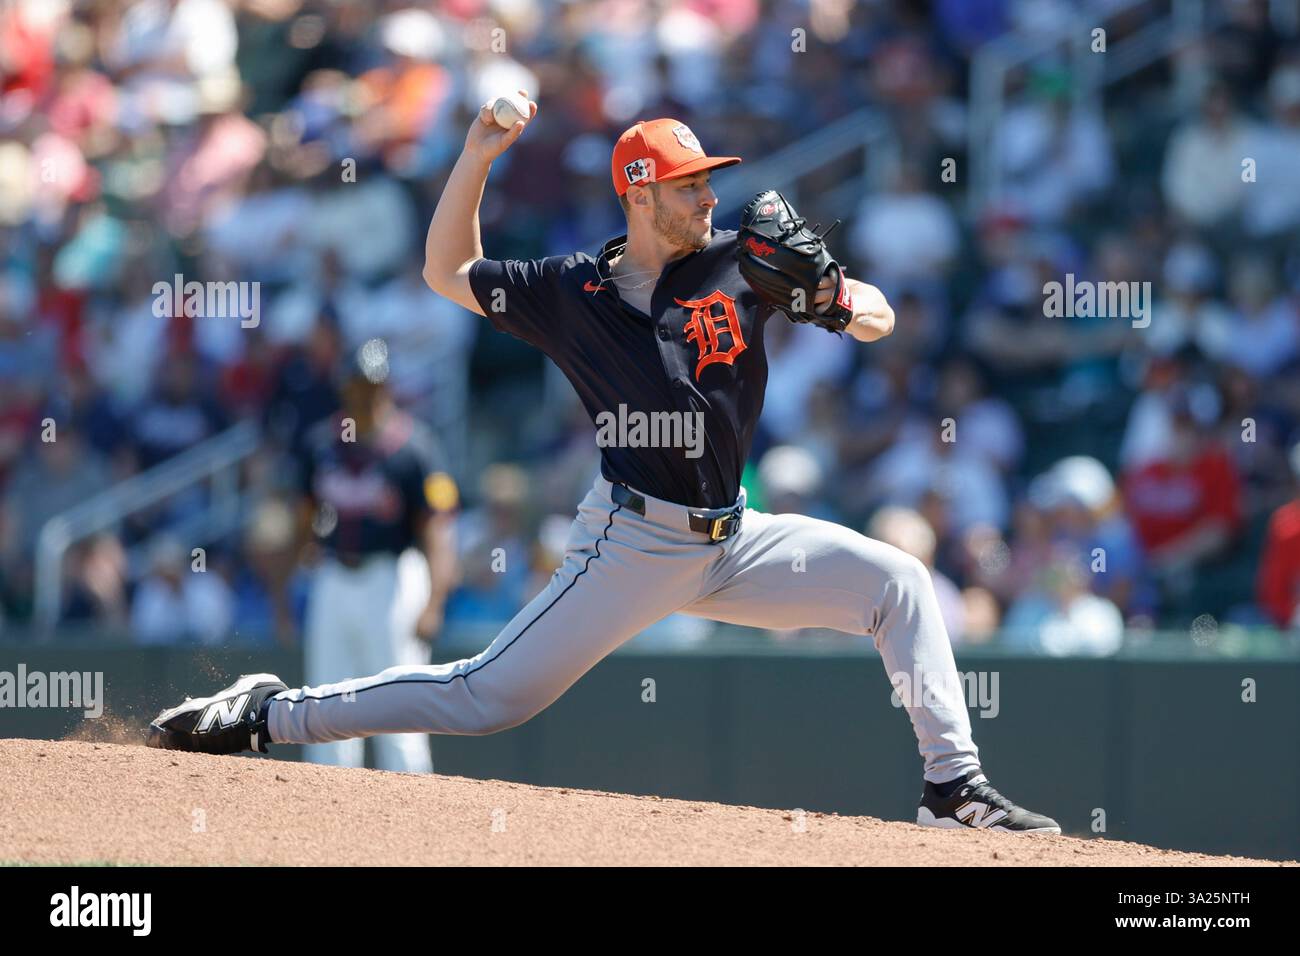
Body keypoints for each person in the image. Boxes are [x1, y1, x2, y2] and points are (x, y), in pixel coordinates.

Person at [148, 98, 1060, 833]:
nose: (707, 198)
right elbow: (445, 269)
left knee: (898, 581)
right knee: (486, 698)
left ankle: (954, 788)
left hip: (733, 538)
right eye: (688, 184)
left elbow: (879, 317)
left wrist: (834, 295)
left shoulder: (743, 266)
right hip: (629, 540)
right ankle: (270, 713)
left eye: (707, 181)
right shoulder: (571, 289)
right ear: (638, 193)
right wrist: (477, 152)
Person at [291, 339, 459, 772]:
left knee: (397, 703)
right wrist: (282, 587)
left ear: (388, 387)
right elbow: (302, 519)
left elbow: (437, 531)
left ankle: (409, 814)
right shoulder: (322, 445)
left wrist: (435, 600)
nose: (367, 393)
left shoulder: (414, 448)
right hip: (333, 575)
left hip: (392, 575)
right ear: (345, 387)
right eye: (359, 384)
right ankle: (326, 810)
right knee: (324, 699)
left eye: (374, 385)